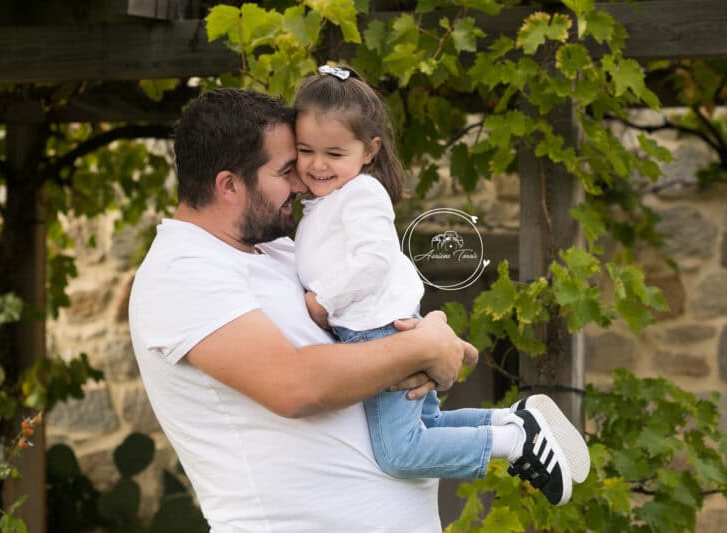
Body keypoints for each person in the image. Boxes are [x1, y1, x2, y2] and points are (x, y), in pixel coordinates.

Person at [129, 87, 478, 533]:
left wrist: (425, 340)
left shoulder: (275, 251)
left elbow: (362, 334)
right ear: (229, 184)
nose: (301, 183)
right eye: (286, 170)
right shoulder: (181, 272)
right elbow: (296, 385)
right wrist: (420, 348)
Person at [292, 65, 590, 506]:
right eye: (305, 150)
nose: (317, 164)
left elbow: (373, 260)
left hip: (376, 330)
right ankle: (515, 421)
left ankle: (516, 443)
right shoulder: (324, 200)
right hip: (373, 328)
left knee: (400, 452)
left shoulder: (361, 194)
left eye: (334, 154)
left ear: (370, 150)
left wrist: (323, 302)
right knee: (424, 429)